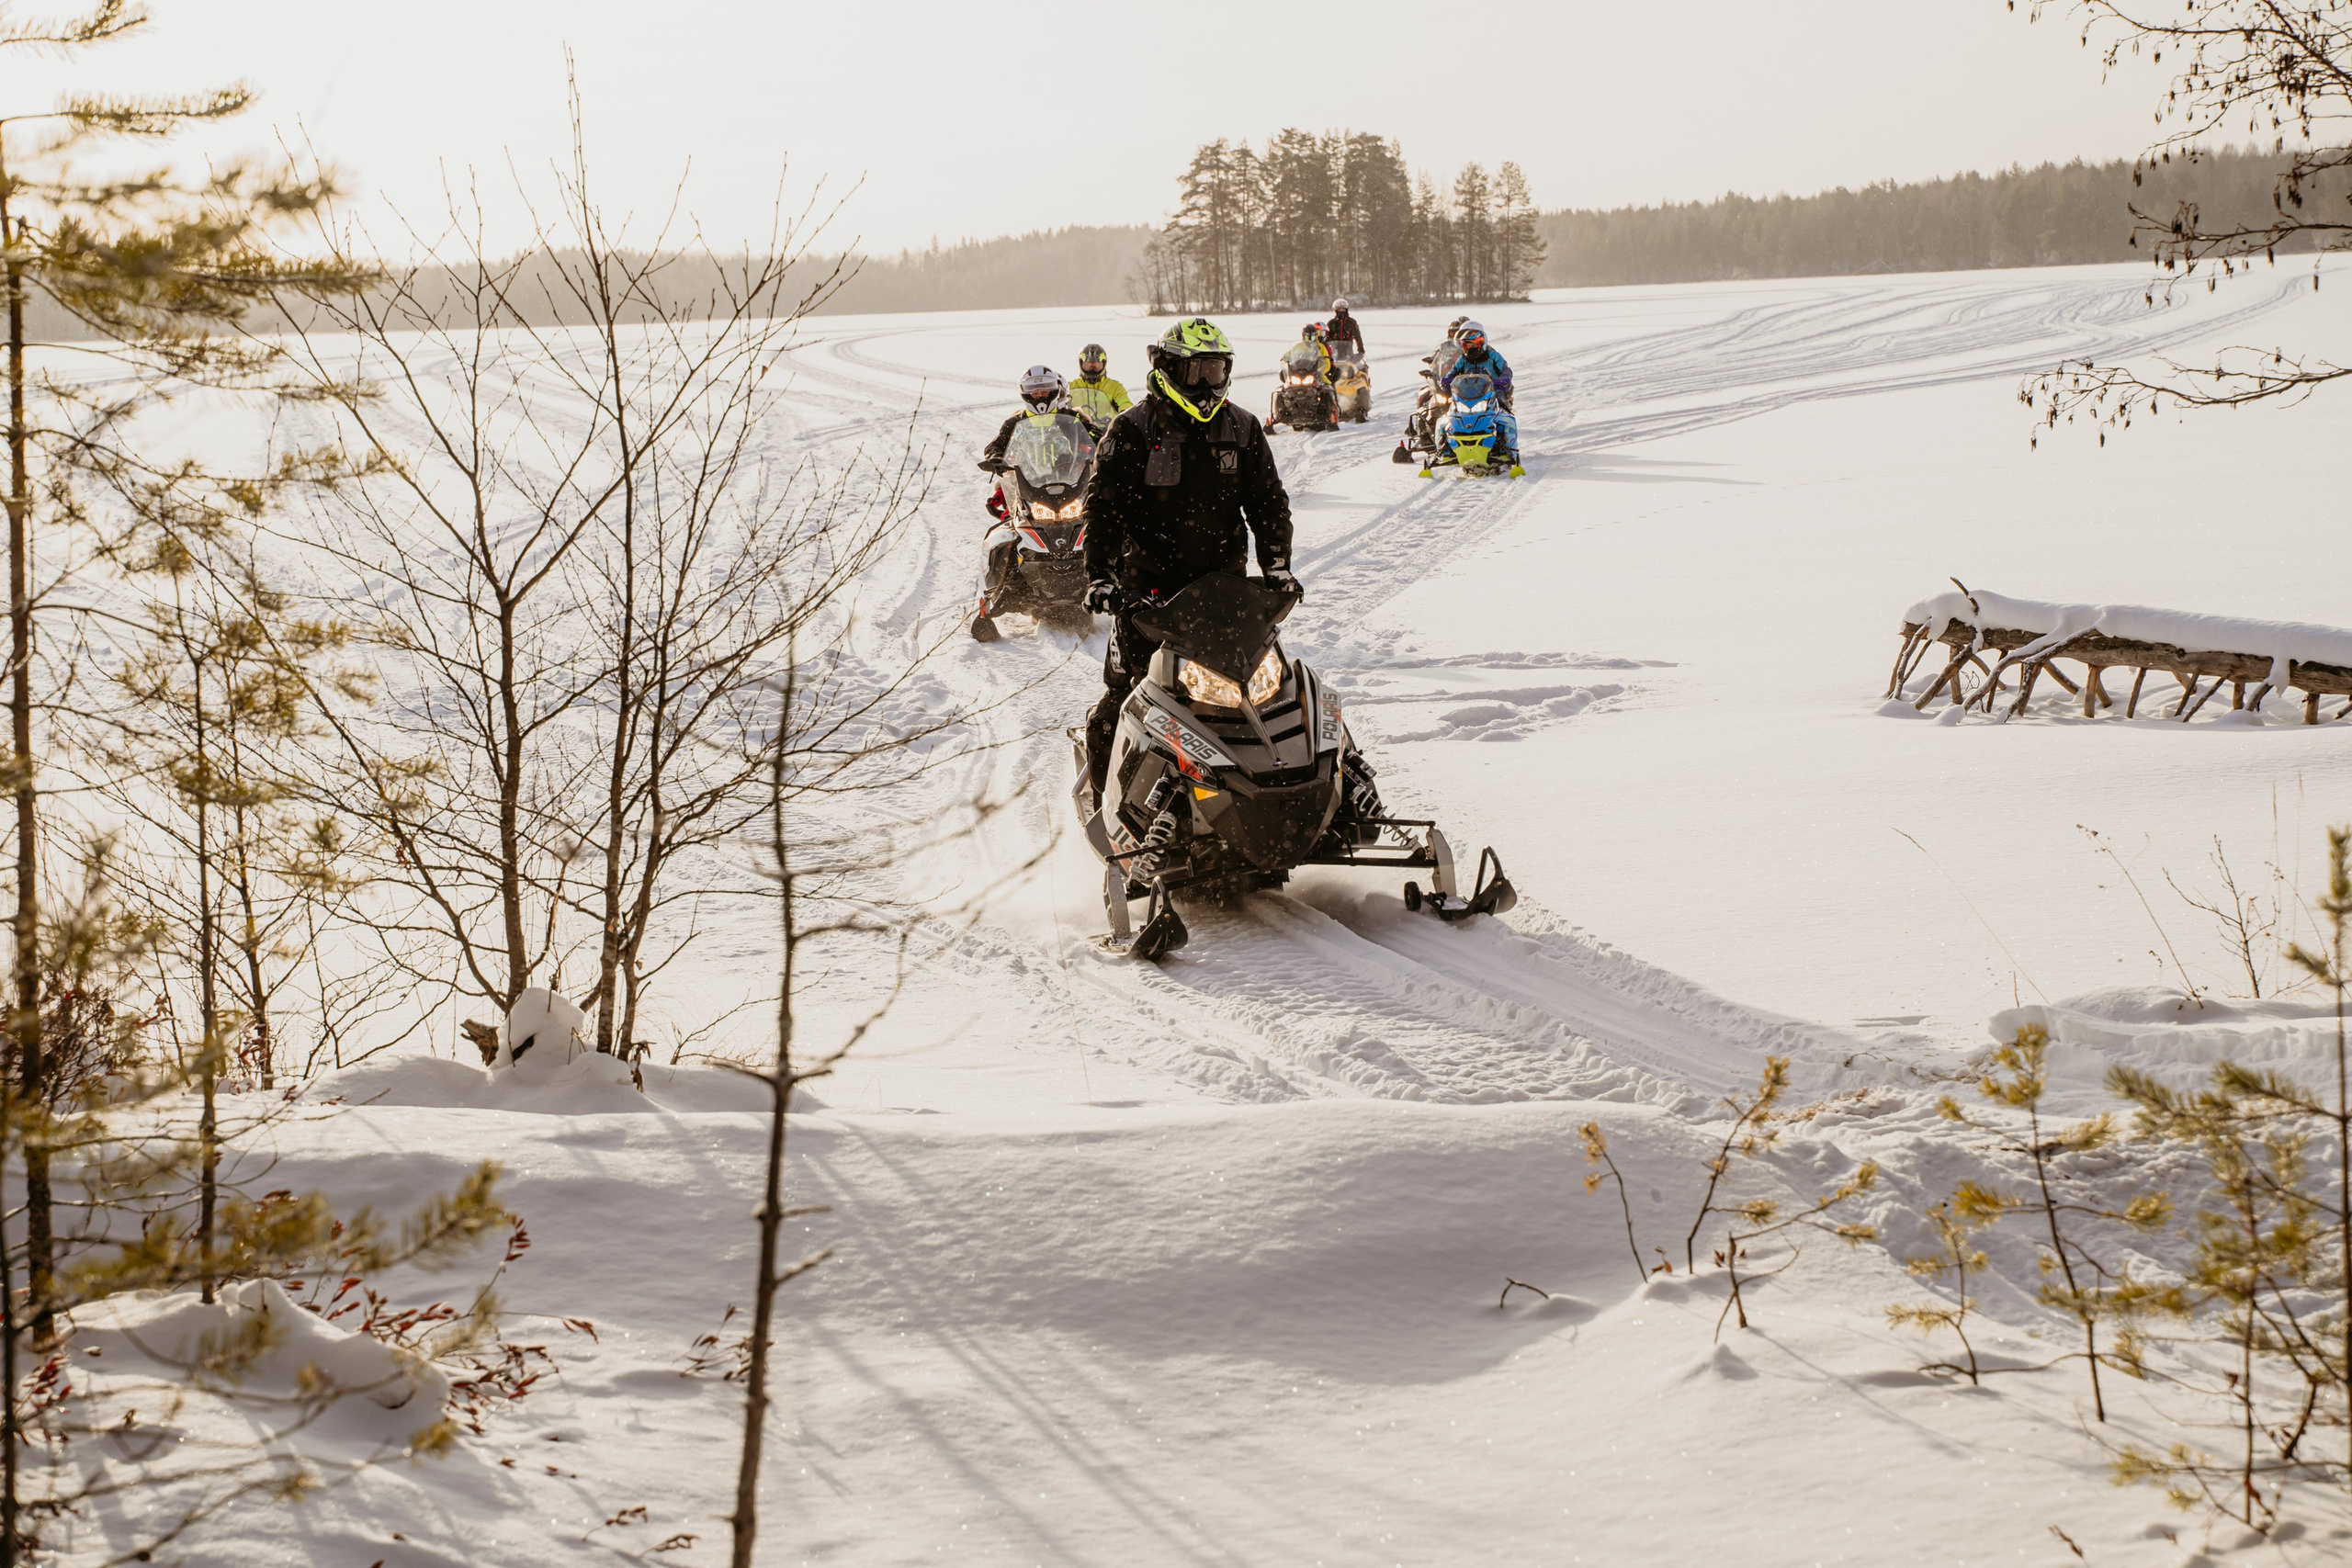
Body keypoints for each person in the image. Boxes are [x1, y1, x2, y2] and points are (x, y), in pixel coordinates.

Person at [1080, 318, 1297, 800]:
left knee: (1270, 693)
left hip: (1227, 593)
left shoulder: (1242, 428)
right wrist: (1101, 576)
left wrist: (1277, 566)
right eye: (1195, 372)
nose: (1206, 384)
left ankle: (1297, 789)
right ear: (1167, 369)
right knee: (1125, 700)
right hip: (1147, 600)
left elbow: (1268, 503)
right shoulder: (1131, 430)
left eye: (1215, 371)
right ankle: (1109, 809)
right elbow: (1104, 511)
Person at [979, 365, 1099, 478]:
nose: (1040, 396)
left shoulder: (1072, 419)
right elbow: (996, 445)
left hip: (1071, 481)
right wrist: (996, 458)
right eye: (1035, 393)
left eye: (1044, 392)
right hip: (1024, 485)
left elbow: (1093, 434)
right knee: (997, 498)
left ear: (1053, 391)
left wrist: (1097, 444)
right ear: (1027, 394)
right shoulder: (1014, 423)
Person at [1439, 320, 1517, 461]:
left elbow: (1506, 369)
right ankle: (1445, 449)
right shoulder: (1463, 359)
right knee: (1446, 418)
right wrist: (1446, 380)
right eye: (1469, 344)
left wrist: (1503, 379)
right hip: (1466, 395)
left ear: (1482, 343)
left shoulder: (1493, 355)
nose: (1472, 347)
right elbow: (1453, 372)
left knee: (1505, 415)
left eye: (1475, 343)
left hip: (1491, 392)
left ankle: (1508, 448)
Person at [1069, 343, 1130, 425]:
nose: (1092, 368)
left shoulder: (1115, 387)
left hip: (1106, 433)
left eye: (1096, 365)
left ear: (1104, 364)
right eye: (1088, 364)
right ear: (1081, 364)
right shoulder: (1070, 387)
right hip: (1079, 432)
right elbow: (1059, 407)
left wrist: (1122, 417)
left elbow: (1125, 403)